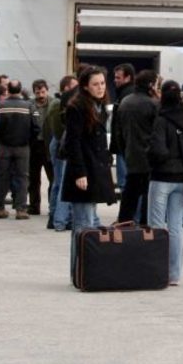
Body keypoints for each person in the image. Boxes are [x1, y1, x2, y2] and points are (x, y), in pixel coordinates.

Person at [62, 66, 117, 279]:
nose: (100, 87)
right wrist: (79, 173)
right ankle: (79, 273)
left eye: (103, 83)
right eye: (95, 84)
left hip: (95, 170)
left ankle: (86, 270)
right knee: (83, 226)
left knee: (90, 223)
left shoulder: (99, 106)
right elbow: (72, 143)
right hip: (84, 171)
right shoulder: (77, 107)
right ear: (85, 86)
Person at [147, 80, 183, 286]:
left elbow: (158, 150)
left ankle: (157, 271)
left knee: (157, 226)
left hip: (161, 177)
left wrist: (153, 157)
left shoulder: (161, 119)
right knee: (176, 226)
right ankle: (174, 274)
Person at [114, 70, 159, 224]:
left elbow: (118, 132)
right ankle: (146, 225)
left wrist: (124, 150)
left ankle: (124, 222)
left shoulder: (125, 102)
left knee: (130, 192)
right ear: (151, 85)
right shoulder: (153, 104)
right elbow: (159, 132)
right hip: (150, 157)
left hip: (131, 154)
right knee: (149, 193)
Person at [0, 80, 40, 219]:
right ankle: (21, 209)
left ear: (8, 89)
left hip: (4, 147)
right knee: (23, 178)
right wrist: (28, 141)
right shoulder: (29, 107)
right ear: (20, 90)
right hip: (23, 147)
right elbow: (36, 128)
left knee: (2, 177)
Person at [44, 75, 77, 231]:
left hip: (58, 144)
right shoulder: (59, 104)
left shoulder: (56, 103)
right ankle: (59, 218)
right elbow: (59, 130)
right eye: (74, 86)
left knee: (58, 183)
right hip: (60, 145)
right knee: (61, 183)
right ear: (66, 88)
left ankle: (55, 216)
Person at [26, 79, 53, 216]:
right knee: (33, 179)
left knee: (52, 178)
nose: (41, 95)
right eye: (38, 93)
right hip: (34, 145)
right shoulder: (29, 105)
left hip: (49, 145)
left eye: (43, 92)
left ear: (47, 91)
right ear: (34, 92)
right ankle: (34, 206)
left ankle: (52, 206)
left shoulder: (54, 104)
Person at [111, 63, 136, 193]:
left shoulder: (127, 95)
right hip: (124, 146)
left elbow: (123, 124)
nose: (115, 80)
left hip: (125, 147)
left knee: (126, 185)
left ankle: (129, 213)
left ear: (128, 78)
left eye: (118, 77)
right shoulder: (123, 94)